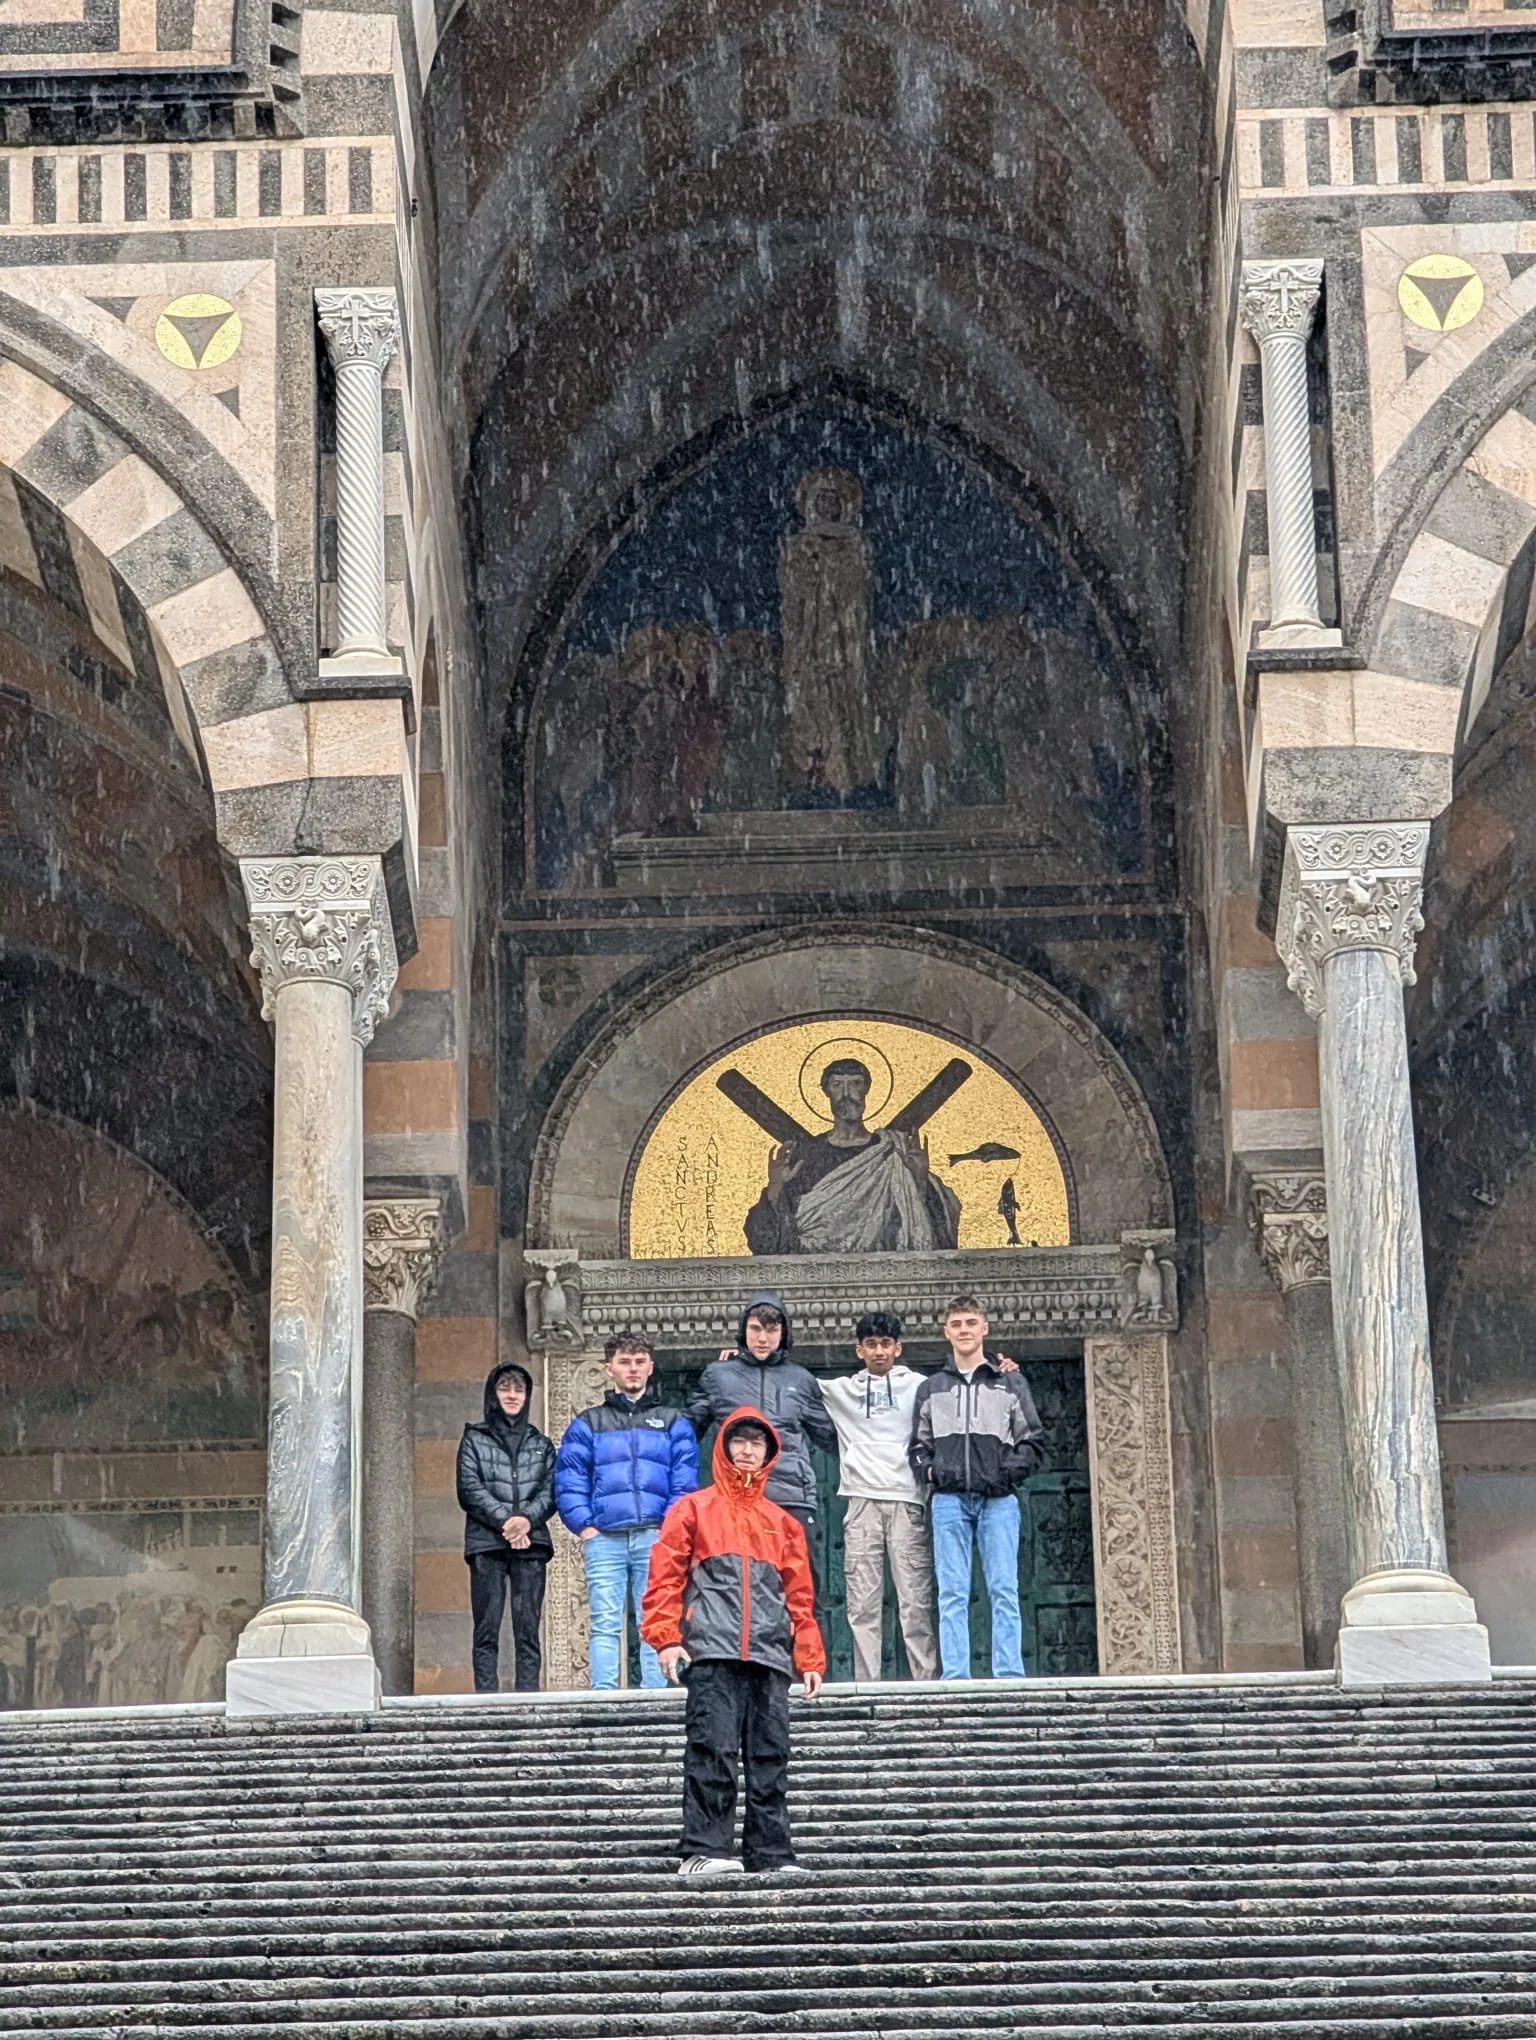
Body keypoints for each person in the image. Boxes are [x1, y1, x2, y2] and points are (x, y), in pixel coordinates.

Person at [641, 1408, 826, 1877]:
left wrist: (809, 1657)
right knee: (713, 1749)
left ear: (769, 1453)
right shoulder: (693, 1509)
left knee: (770, 1756)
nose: (746, 1450)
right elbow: (664, 1578)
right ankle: (704, 1849)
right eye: (738, 1441)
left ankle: (771, 1854)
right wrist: (666, 1639)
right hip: (711, 1650)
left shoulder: (783, 1523)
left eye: (756, 1443)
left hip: (769, 1654)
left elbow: (800, 1596)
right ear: (723, 1448)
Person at [908, 1294, 1044, 1682]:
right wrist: (933, 1474)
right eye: (956, 1324)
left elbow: (1033, 1440)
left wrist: (1004, 1474)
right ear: (946, 1332)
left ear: (985, 1328)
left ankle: (1009, 1673)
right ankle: (955, 1676)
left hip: (998, 1500)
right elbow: (918, 1446)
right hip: (949, 1500)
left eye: (970, 1323)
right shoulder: (931, 1388)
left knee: (1004, 1588)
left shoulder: (1010, 1383)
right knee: (952, 1591)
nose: (964, 1330)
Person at [554, 1330, 699, 1689]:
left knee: (655, 1618)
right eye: (624, 1362)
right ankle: (603, 1696)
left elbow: (684, 1481)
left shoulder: (672, 1421)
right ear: (609, 1369)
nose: (632, 1369)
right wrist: (585, 1525)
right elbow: (569, 1478)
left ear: (650, 1367)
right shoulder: (588, 1423)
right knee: (604, 1621)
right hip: (605, 1538)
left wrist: (668, 1527)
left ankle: (655, 1696)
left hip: (655, 1536)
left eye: (639, 1361)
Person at [691, 1291, 838, 1610]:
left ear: (783, 1333)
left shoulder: (801, 1379)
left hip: (791, 1498)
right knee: (738, 1594)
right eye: (756, 1329)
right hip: (736, 1500)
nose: (762, 1338)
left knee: (802, 1594)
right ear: (743, 1329)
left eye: (771, 1330)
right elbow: (686, 1432)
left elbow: (834, 1436)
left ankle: (807, 1647)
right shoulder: (719, 1376)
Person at [819, 1310, 939, 1683]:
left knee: (914, 1600)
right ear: (859, 1350)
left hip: (907, 1501)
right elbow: (788, 1382)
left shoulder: (922, 1386)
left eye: (886, 1344)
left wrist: (1002, 1369)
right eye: (871, 1344)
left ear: (898, 1348)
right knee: (862, 1603)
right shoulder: (841, 1391)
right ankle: (865, 1684)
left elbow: (962, 1386)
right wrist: (738, 1362)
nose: (879, 1351)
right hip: (861, 1502)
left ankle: (925, 1683)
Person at [744, 1058, 960, 1255]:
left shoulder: (892, 1152)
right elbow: (766, 1243)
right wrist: (775, 1187)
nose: (846, 1093)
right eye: (837, 1085)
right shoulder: (806, 1156)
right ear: (826, 1092)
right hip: (815, 1271)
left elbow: (933, 1236)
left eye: (855, 1084)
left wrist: (919, 1179)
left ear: (866, 1090)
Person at [457, 1361, 556, 1692]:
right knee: (486, 1626)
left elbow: (551, 1491)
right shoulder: (474, 1438)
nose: (512, 1395)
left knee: (528, 1627)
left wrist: (526, 1520)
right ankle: (486, 1697)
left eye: (519, 1389)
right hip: (487, 1543)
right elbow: (469, 1488)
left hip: (531, 1543)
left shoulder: (541, 1444)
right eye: (504, 1388)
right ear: (492, 1394)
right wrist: (506, 1521)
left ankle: (528, 1698)